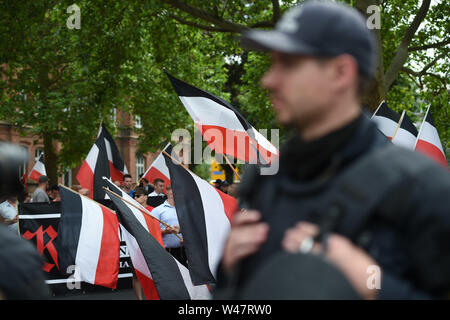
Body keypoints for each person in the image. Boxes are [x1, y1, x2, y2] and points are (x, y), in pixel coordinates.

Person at [216, 1, 450, 300]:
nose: (269, 80)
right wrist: (229, 273)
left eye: (288, 64)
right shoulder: (265, 181)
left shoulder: (423, 187)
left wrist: (371, 282)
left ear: (341, 72)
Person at [151, 186, 186, 267]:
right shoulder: (157, 210)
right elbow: (152, 232)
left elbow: (189, 229)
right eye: (171, 192)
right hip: (166, 251)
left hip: (183, 251)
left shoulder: (183, 209)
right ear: (167, 193)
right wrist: (165, 231)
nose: (173, 194)